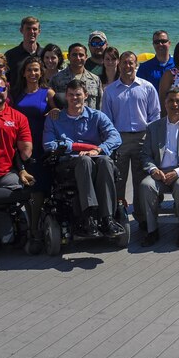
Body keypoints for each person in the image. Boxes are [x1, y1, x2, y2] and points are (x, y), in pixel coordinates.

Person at [42, 79, 124, 238]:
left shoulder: (97, 116)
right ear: (65, 96)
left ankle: (107, 218)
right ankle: (88, 217)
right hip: (67, 164)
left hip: (96, 160)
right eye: (71, 95)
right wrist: (78, 148)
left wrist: (99, 149)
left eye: (78, 94)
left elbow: (115, 137)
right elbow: (49, 145)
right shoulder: (55, 118)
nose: (74, 98)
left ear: (85, 95)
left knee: (106, 160)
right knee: (84, 161)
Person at [101, 51, 160, 228]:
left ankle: (142, 217)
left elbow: (155, 114)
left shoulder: (147, 87)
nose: (128, 66)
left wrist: (150, 137)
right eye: (125, 63)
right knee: (118, 179)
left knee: (141, 180)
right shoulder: (110, 91)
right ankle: (118, 215)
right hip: (119, 139)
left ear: (137, 65)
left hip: (143, 137)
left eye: (131, 63)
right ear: (119, 65)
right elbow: (107, 119)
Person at [139, 87, 179, 247]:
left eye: (178, 101)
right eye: (170, 101)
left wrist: (177, 171)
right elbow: (145, 155)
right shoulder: (153, 127)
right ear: (165, 104)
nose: (174, 104)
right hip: (160, 172)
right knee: (146, 185)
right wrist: (153, 170)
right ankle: (152, 231)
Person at [11, 56, 56, 234]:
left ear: (41, 72)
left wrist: (54, 111)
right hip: (21, 144)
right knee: (26, 187)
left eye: (36, 69)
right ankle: (32, 224)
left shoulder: (48, 93)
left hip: (40, 143)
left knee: (38, 187)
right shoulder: (17, 93)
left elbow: (57, 113)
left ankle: (35, 228)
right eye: (29, 69)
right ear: (23, 73)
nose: (33, 73)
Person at [50, 43, 103, 110]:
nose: (78, 58)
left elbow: (100, 106)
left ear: (86, 57)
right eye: (74, 55)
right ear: (68, 57)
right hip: (65, 119)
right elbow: (50, 104)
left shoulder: (95, 80)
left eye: (81, 55)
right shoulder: (56, 79)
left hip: (90, 120)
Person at [5, 16, 41, 88]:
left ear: (39, 31)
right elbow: (5, 80)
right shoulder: (10, 55)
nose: (31, 32)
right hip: (17, 97)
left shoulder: (45, 54)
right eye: (28, 29)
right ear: (21, 30)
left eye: (35, 29)